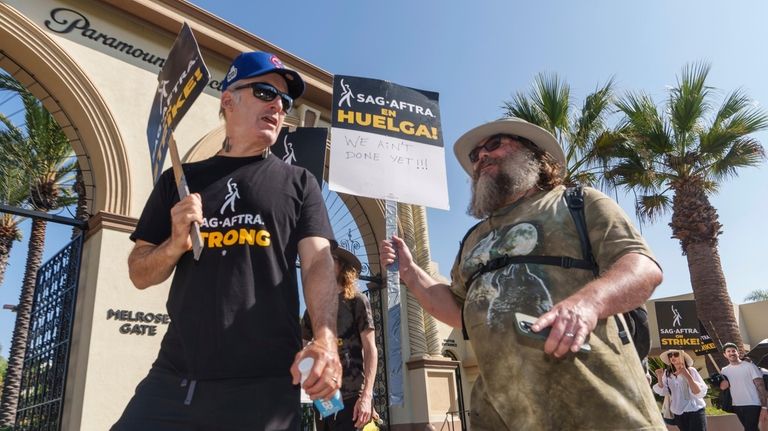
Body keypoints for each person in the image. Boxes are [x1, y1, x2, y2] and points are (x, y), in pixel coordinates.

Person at [379, 117, 665, 430]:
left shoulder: (578, 203)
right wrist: (410, 272)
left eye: (493, 144)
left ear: (533, 153)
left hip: (600, 409)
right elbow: (461, 315)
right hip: (502, 416)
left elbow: (642, 268)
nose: (481, 157)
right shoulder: (473, 240)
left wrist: (587, 304)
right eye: (475, 156)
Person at [112, 51, 342, 430]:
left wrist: (325, 339)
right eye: (266, 92)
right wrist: (173, 245)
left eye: (285, 101)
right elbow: (139, 273)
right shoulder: (178, 181)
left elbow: (318, 261)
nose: (278, 107)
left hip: (263, 388)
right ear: (228, 99)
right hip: (175, 380)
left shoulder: (300, 182)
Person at [301, 247, 377, 430]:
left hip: (353, 397)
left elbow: (370, 349)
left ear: (342, 266)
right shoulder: (313, 309)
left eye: (331, 259)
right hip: (324, 399)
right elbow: (303, 351)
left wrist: (366, 396)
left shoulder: (357, 301)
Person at [653, 350, 707, 430]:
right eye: (670, 356)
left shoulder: (691, 370)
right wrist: (659, 377)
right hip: (678, 411)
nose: (672, 357)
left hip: (695, 410)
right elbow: (664, 391)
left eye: (675, 354)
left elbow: (698, 392)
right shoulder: (668, 374)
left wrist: (687, 375)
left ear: (682, 356)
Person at [719, 342, 768, 431]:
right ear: (725, 355)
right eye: (728, 351)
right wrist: (723, 386)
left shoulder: (750, 366)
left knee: (750, 428)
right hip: (737, 405)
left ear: (738, 352)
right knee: (750, 428)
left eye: (733, 351)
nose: (731, 353)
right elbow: (723, 388)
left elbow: (761, 387)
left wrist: (764, 407)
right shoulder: (724, 370)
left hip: (752, 403)